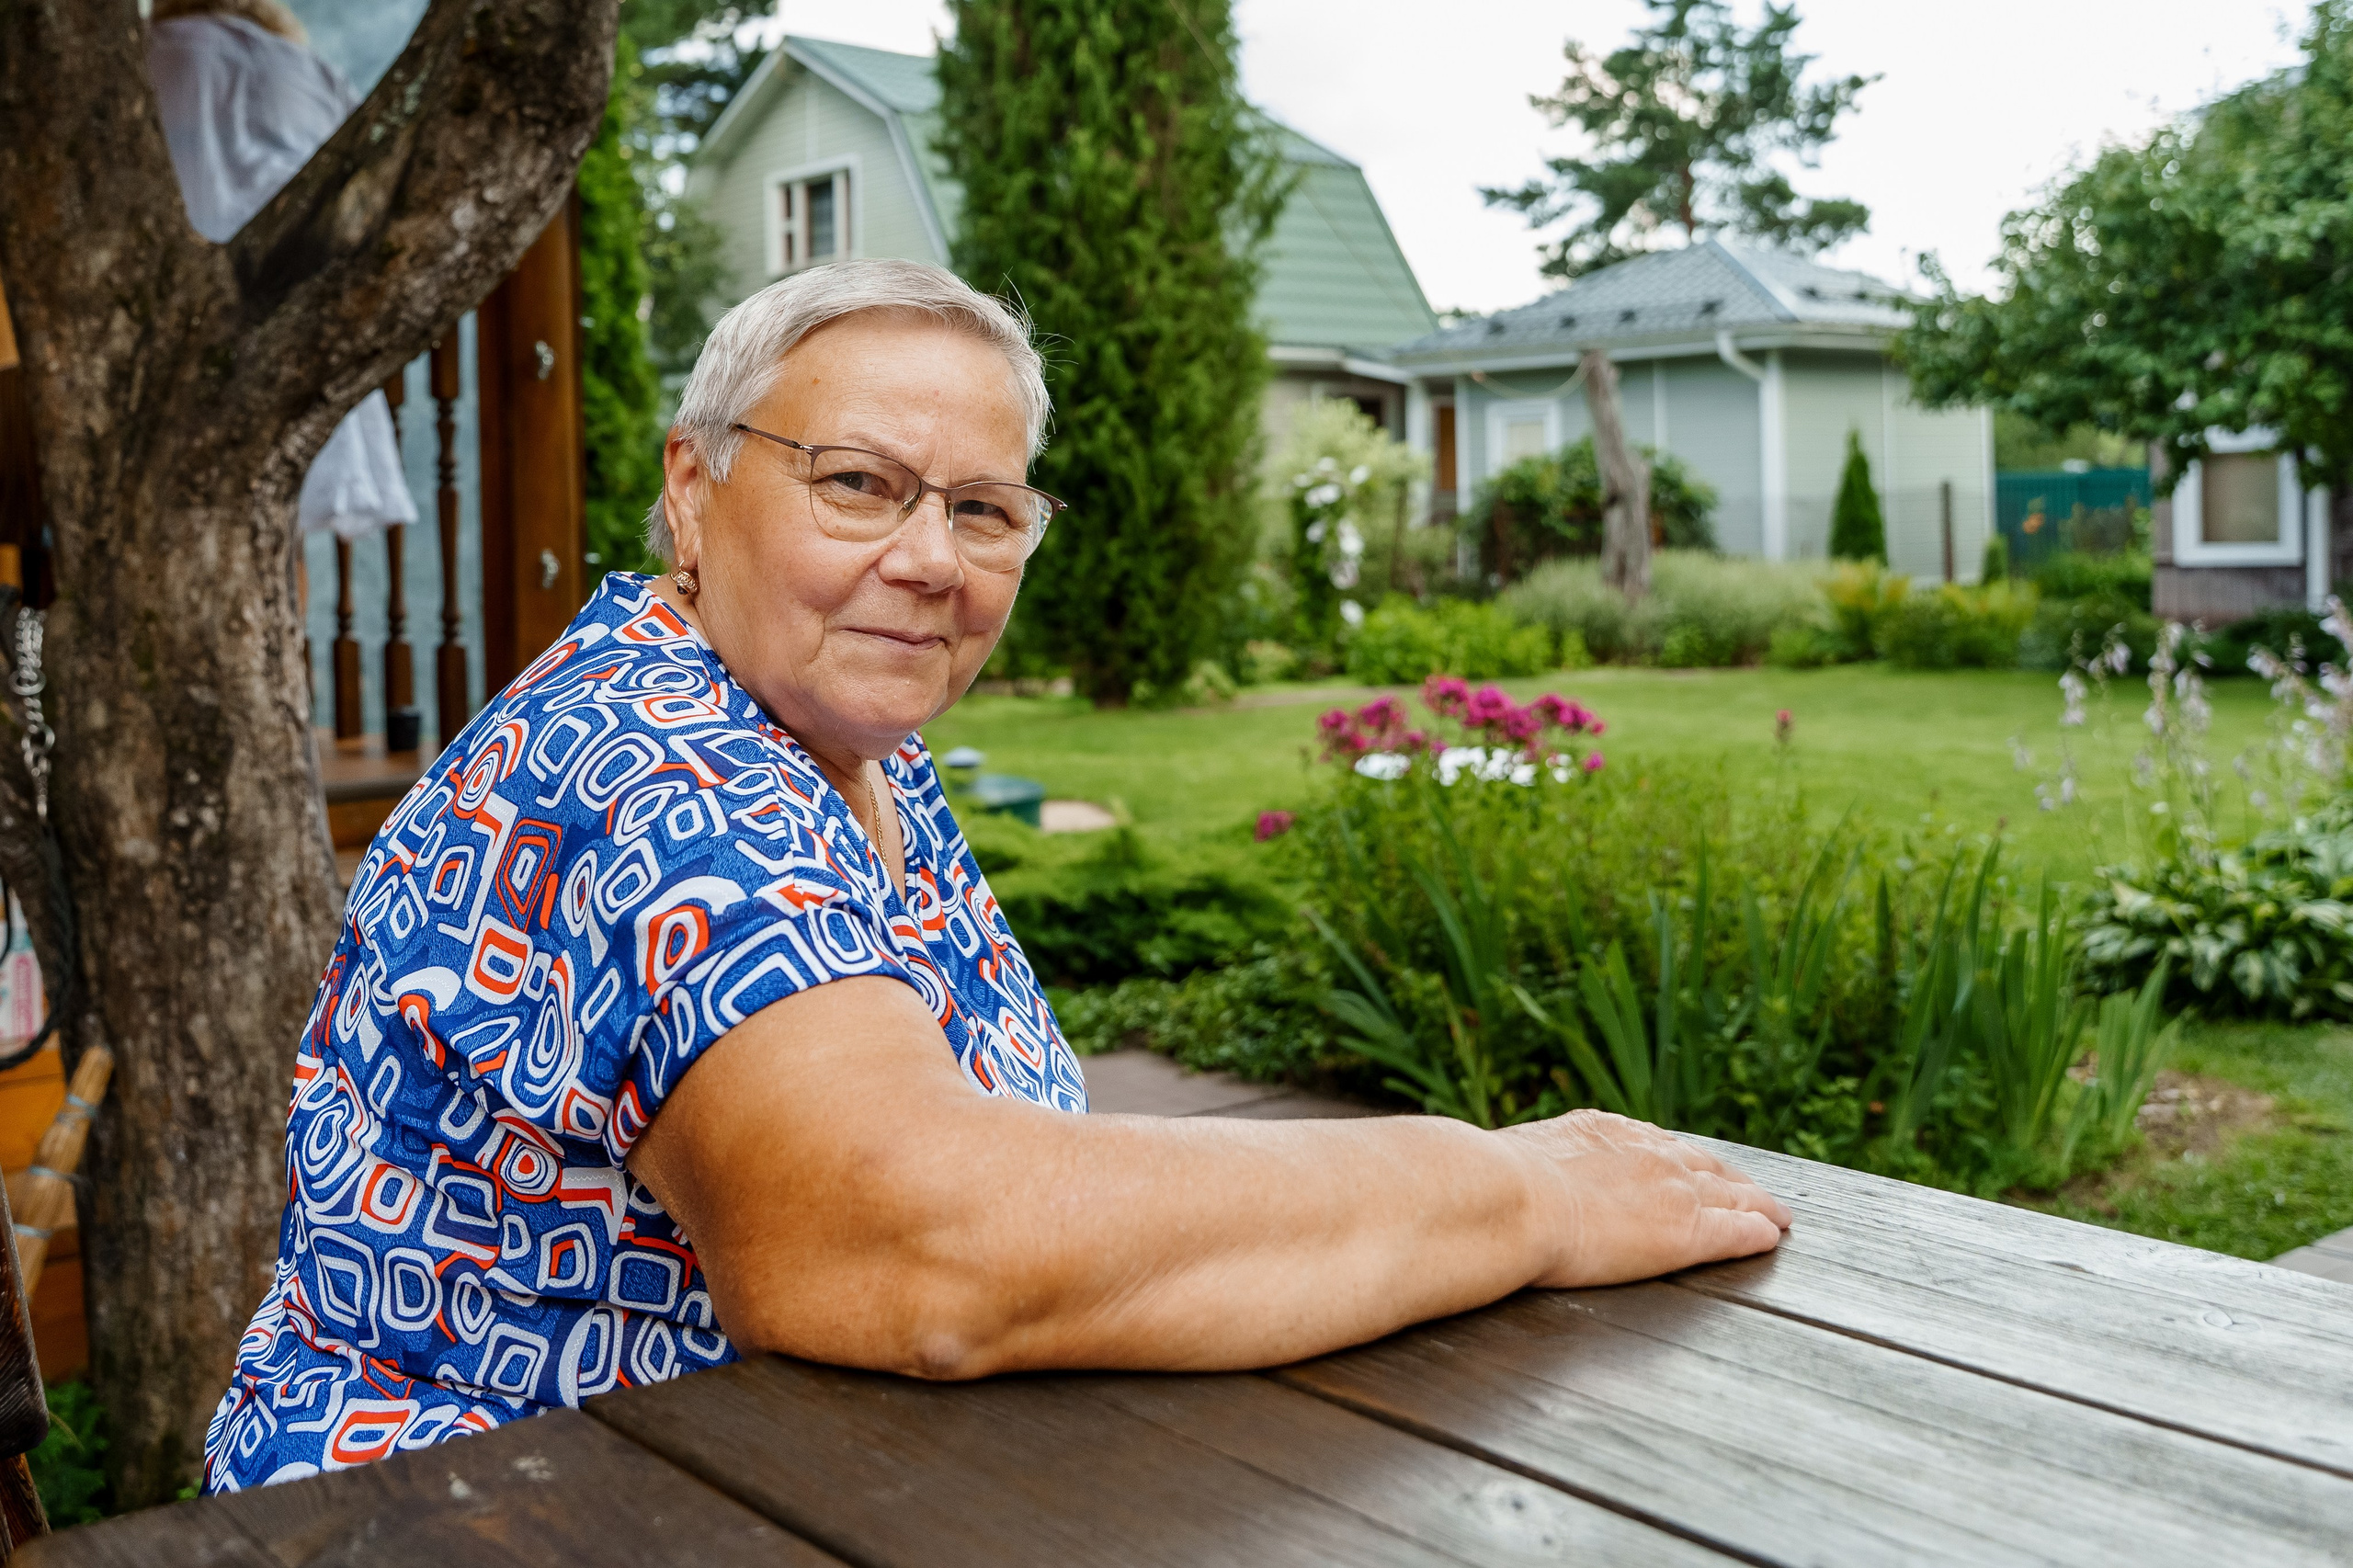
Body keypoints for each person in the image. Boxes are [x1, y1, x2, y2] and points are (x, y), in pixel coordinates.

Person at [203, 258, 1788, 1490]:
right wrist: (1512, 1194)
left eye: (984, 509)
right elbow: (918, 1247)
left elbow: (1005, 1159)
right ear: (694, 487)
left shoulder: (845, 742)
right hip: (479, 1516)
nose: (932, 561)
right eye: (859, 484)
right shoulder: (662, 772)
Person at [148, 0, 415, 540]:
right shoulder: (310, 73)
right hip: (300, 317)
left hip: (175, 325)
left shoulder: (155, 56)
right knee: (276, 536)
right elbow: (377, 188)